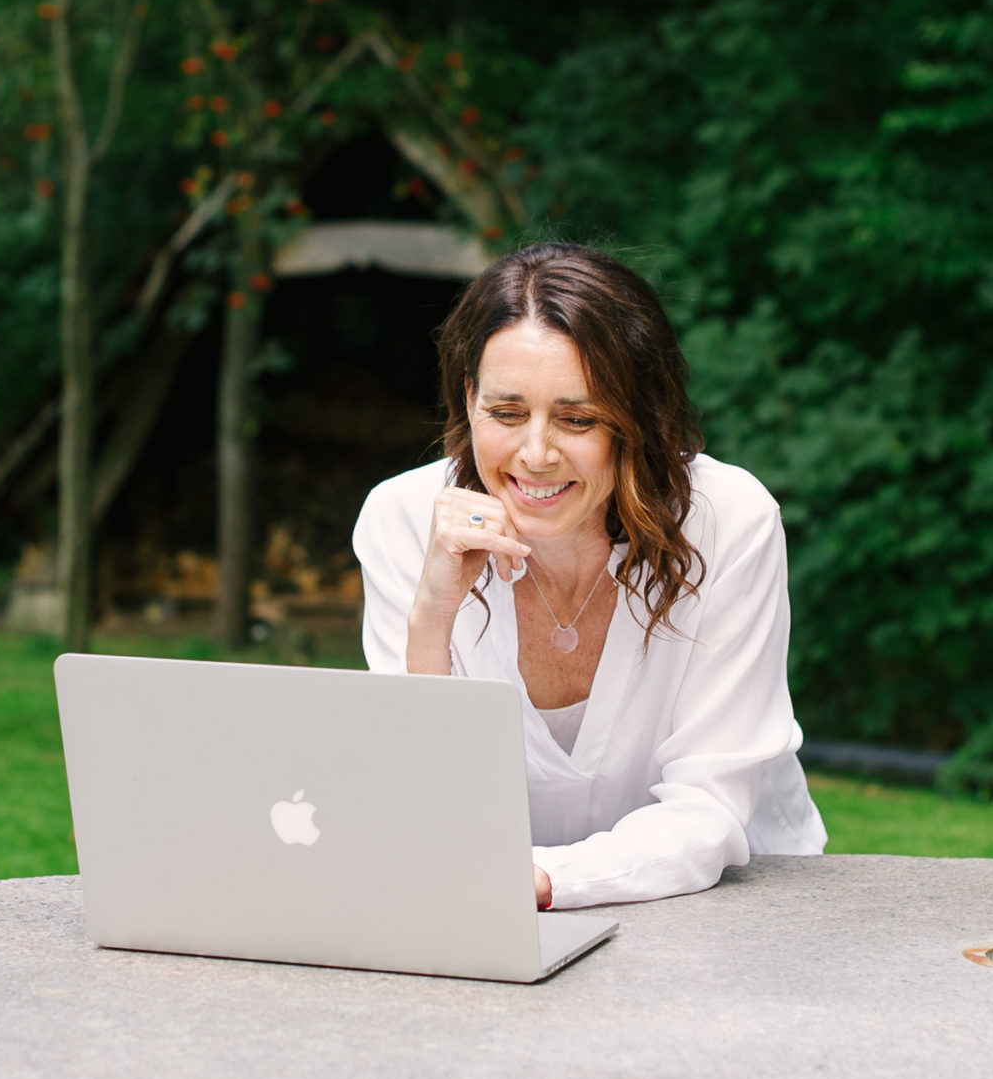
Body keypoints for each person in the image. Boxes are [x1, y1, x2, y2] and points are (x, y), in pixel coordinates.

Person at [352, 243, 826, 910]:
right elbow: (423, 804)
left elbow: (708, 806)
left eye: (577, 419)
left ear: (638, 419)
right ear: (469, 399)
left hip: (740, 906)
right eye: (506, 413)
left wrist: (544, 881)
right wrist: (431, 617)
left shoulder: (727, 521)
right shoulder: (404, 518)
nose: (535, 454)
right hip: (506, 902)